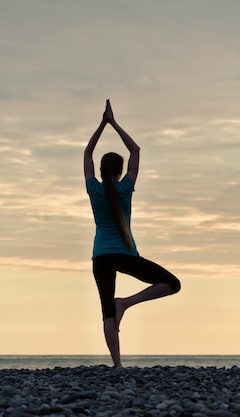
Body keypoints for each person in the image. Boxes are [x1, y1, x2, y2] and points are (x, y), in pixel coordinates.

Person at [84, 99, 181, 368]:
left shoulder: (94, 190)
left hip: (101, 256)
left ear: (102, 171)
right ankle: (125, 303)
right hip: (125, 254)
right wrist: (114, 123)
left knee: (106, 311)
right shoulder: (126, 188)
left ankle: (118, 366)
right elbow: (136, 150)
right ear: (120, 171)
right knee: (172, 284)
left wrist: (101, 124)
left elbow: (86, 154)